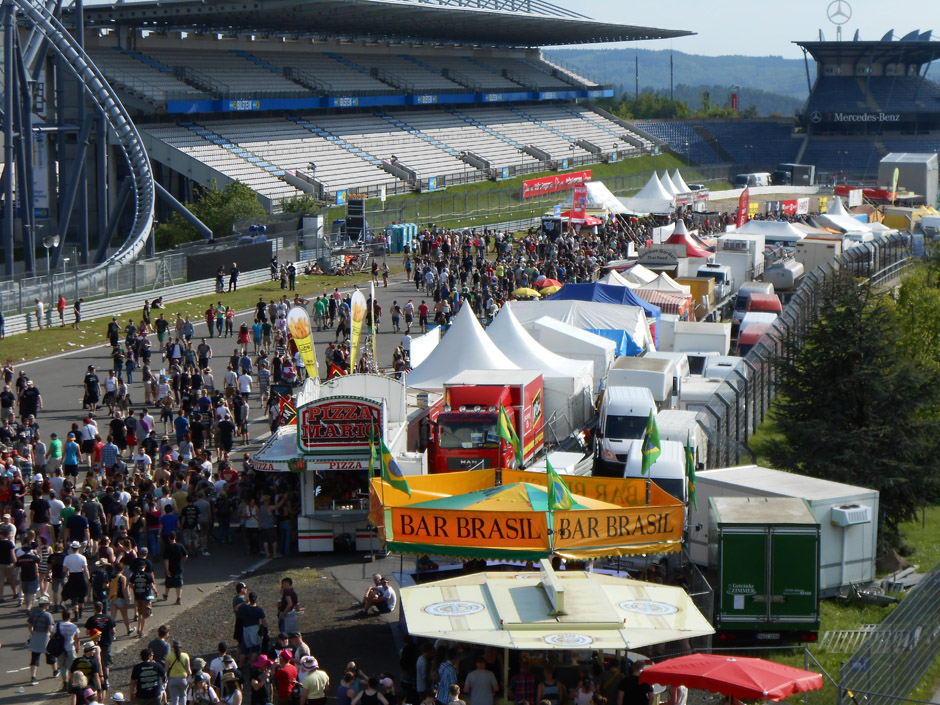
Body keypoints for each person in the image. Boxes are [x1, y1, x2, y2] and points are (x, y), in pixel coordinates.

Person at [26, 595, 54, 685]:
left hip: (36, 635)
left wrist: (33, 633)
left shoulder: (33, 613)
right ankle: (55, 671)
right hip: (45, 636)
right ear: (45, 605)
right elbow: (50, 628)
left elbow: (30, 626)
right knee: (50, 654)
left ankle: (33, 677)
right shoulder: (48, 615)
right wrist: (53, 636)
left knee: (35, 656)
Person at [162, 531, 188, 604]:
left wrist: (167, 569)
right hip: (178, 567)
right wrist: (182, 561)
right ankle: (178, 598)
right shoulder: (180, 546)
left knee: (168, 582)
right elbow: (186, 555)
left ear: (169, 538)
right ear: (175, 537)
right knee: (178, 583)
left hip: (170, 567)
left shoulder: (167, 547)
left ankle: (166, 595)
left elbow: (166, 560)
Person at [166, 640, 192, 705]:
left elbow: (166, 669)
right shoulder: (185, 655)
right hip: (183, 679)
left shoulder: (169, 656)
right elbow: (188, 670)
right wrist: (190, 679)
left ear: (173, 648)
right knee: (183, 696)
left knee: (174, 698)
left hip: (172, 680)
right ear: (181, 648)